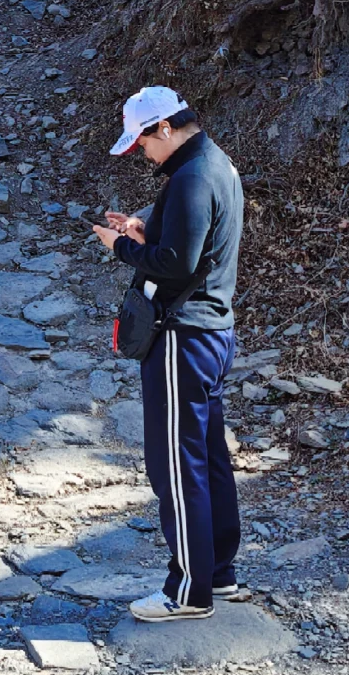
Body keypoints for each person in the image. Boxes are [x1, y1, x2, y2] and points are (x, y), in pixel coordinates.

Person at [92, 86, 244, 624]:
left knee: (176, 466)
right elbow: (193, 243)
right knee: (208, 456)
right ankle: (217, 573)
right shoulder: (214, 163)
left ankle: (187, 590)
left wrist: (122, 248)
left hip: (182, 336)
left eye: (143, 144)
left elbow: (176, 265)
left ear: (164, 129)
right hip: (212, 332)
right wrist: (144, 228)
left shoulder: (191, 177)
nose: (143, 155)